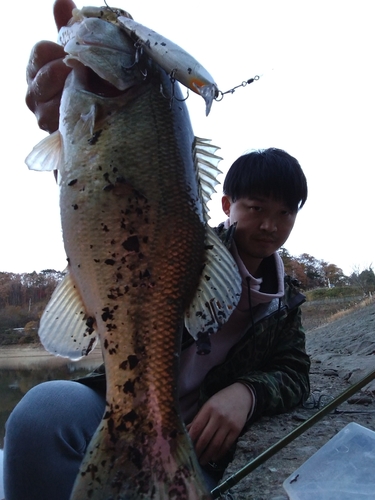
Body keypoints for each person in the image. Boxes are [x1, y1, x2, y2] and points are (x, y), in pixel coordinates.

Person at [3, 1, 310, 498]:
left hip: (200, 443)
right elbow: (116, 205)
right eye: (256, 207)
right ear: (227, 204)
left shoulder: (286, 302)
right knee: (40, 415)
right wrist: (67, 123)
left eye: (285, 212)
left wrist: (247, 393)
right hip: (120, 398)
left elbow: (296, 372)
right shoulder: (183, 243)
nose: (270, 225)